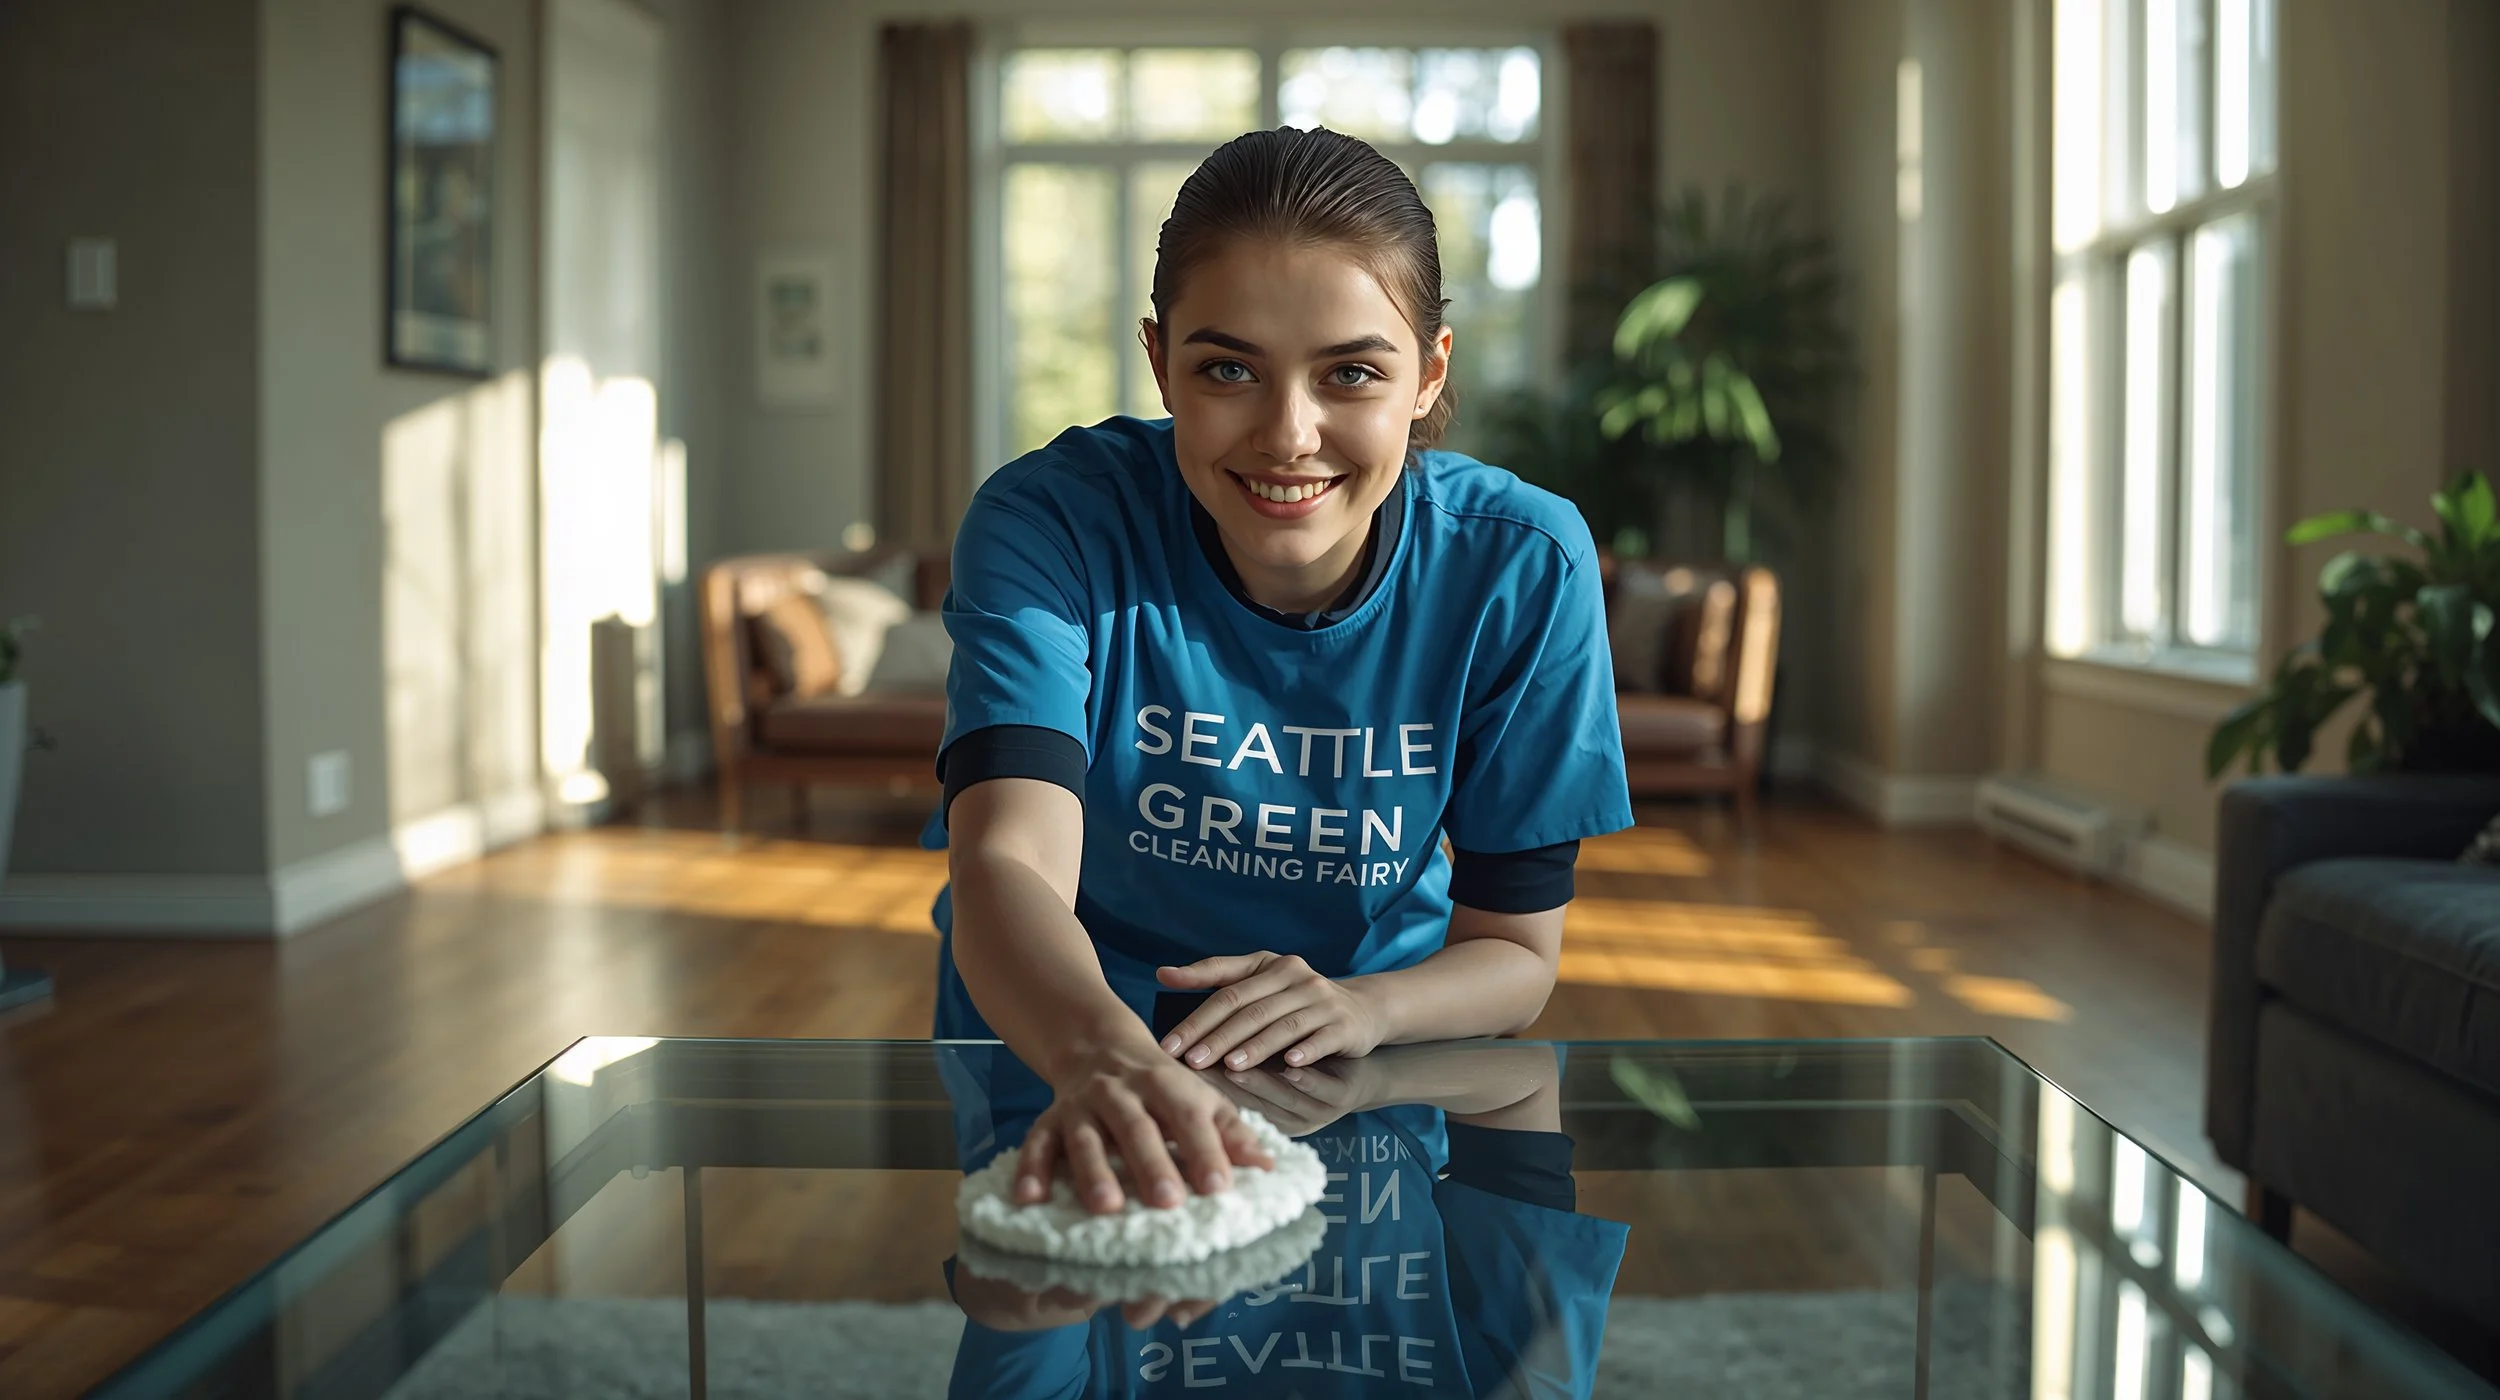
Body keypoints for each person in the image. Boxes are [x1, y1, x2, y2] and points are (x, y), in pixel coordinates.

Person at [929, 124, 1632, 1212]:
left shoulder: (1521, 564)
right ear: (1160, 363)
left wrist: (1365, 1008)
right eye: (1228, 369)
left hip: (1370, 1069)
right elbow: (1007, 861)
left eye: (1351, 372)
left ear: (1428, 373)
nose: (1288, 434)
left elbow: (1516, 954)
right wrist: (1107, 1059)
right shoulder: (1051, 523)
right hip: (1060, 1048)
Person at [940, 1043, 1629, 1399]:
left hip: (1111, 974)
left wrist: (1147, 1100)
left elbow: (1007, 1291)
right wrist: (1370, 1078)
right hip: (1380, 967)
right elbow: (1523, 1080)